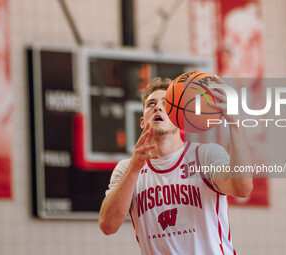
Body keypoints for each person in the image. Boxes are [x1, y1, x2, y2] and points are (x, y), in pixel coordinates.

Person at [99, 76, 253, 255]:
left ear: (180, 117)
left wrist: (235, 122)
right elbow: (107, 226)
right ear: (142, 122)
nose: (158, 107)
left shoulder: (205, 156)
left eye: (166, 103)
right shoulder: (127, 169)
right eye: (151, 104)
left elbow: (243, 188)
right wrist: (134, 168)